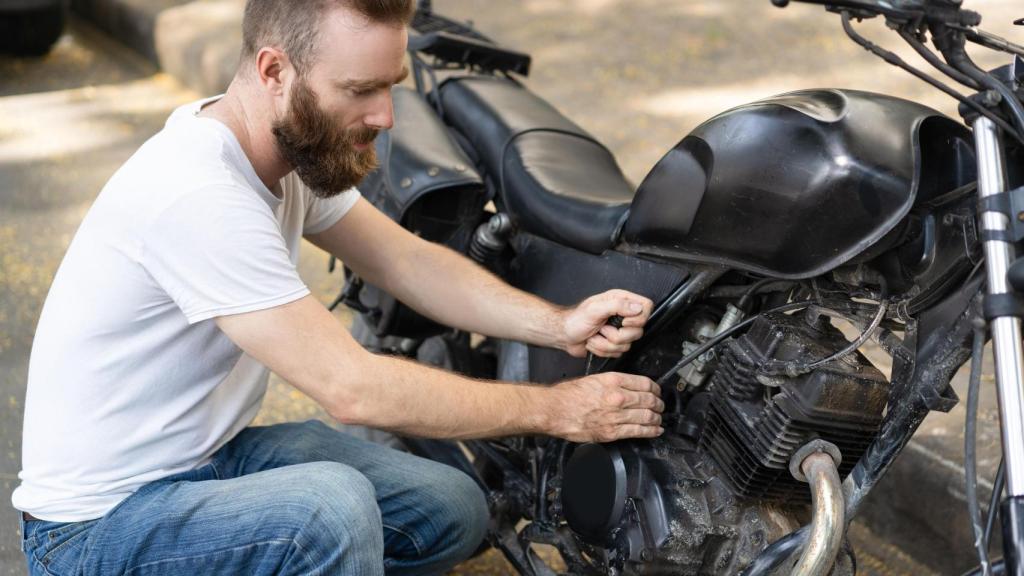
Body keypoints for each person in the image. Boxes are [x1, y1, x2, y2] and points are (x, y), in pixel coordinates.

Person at [12, 0, 664, 573]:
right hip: (94, 533)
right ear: (274, 72)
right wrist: (560, 410)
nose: (383, 115)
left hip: (209, 461)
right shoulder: (197, 193)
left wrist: (558, 323)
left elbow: (407, 262)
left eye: (391, 86)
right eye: (359, 89)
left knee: (454, 506)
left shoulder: (287, 153)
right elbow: (353, 390)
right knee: (331, 511)